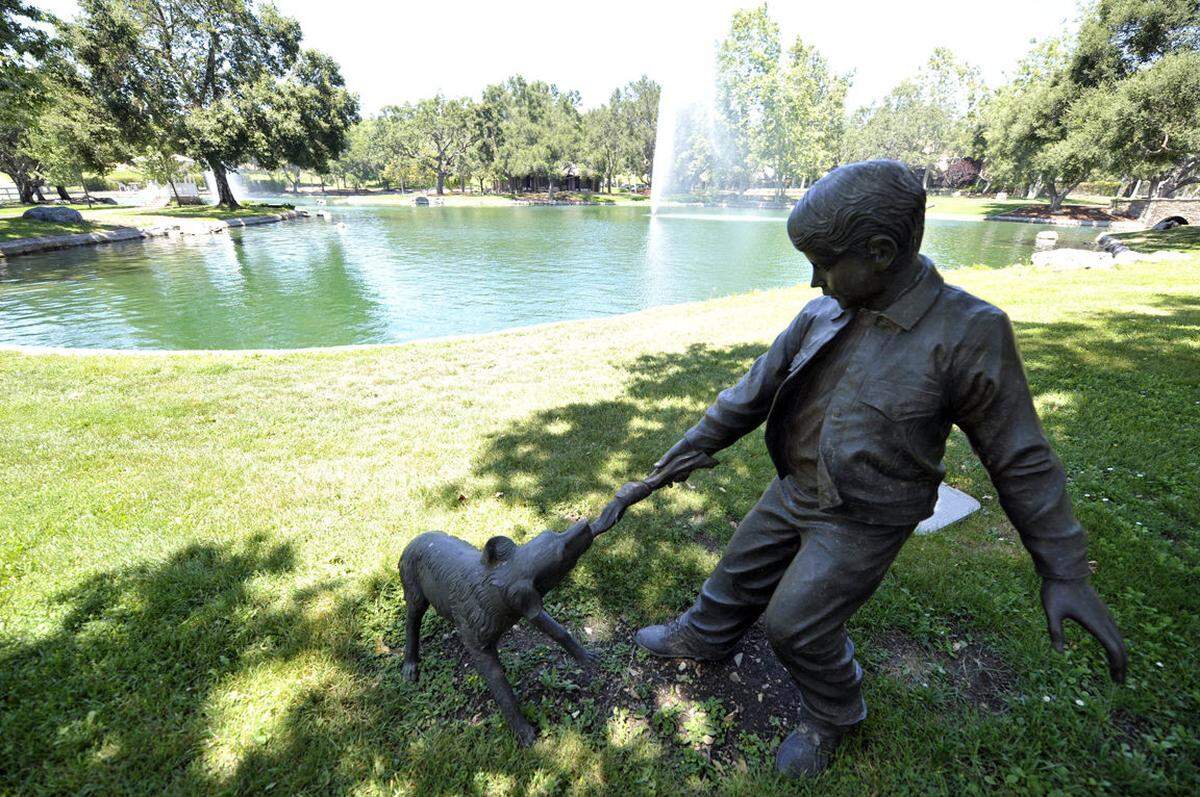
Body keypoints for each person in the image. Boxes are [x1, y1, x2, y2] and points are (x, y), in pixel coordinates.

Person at [634, 160, 1127, 777]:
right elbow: (752, 392)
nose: (814, 280)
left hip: (866, 515)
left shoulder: (969, 333)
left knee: (796, 626)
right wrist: (691, 447)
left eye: (823, 261)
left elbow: (1021, 459)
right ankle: (707, 634)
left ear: (881, 251)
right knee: (737, 572)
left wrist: (1065, 570)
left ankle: (834, 714)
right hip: (795, 488)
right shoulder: (823, 314)